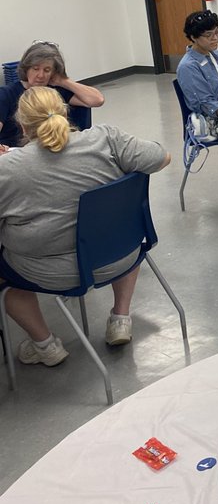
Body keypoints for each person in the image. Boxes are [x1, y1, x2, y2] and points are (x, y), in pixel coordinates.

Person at [0, 86, 170, 366]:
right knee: (124, 227)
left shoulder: (10, 169)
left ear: (21, 125)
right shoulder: (107, 138)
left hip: (51, 273)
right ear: (65, 113)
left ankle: (45, 345)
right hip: (120, 255)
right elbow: (162, 157)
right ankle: (120, 318)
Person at [0, 41, 104, 153]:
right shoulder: (6, 94)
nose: (40, 75)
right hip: (16, 153)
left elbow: (97, 100)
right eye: (35, 69)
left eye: (47, 70)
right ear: (26, 68)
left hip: (53, 151)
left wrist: (63, 81)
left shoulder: (56, 90)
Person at [175, 10, 218, 135]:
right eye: (208, 35)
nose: (215, 38)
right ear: (193, 37)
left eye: (217, 32)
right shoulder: (188, 67)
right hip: (214, 118)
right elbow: (207, 104)